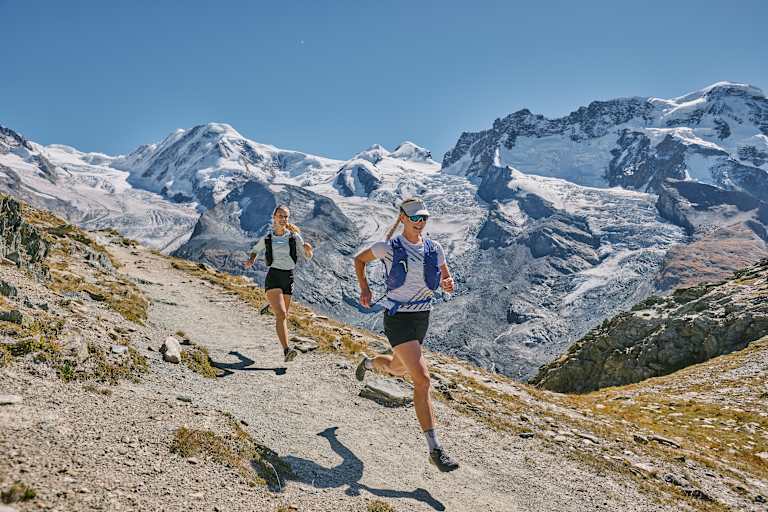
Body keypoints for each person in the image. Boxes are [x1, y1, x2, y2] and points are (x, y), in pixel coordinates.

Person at [353, 197, 459, 472]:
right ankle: (435, 449)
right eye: (415, 217)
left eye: (423, 217)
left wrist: (448, 284)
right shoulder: (387, 247)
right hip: (398, 319)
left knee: (397, 368)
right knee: (422, 380)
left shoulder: (435, 248)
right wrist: (365, 289)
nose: (420, 222)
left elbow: (446, 277)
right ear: (402, 218)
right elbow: (359, 261)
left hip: (422, 318)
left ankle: (368, 363)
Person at [244, 205, 313, 362]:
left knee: (283, 315)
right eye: (280, 216)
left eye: (286, 217)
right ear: (274, 217)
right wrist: (251, 259)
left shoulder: (294, 237)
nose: (283, 219)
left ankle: (270, 307)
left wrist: (309, 250)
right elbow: (255, 249)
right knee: (281, 315)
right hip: (274, 276)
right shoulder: (268, 238)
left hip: (288, 277)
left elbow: (307, 256)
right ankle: (287, 350)